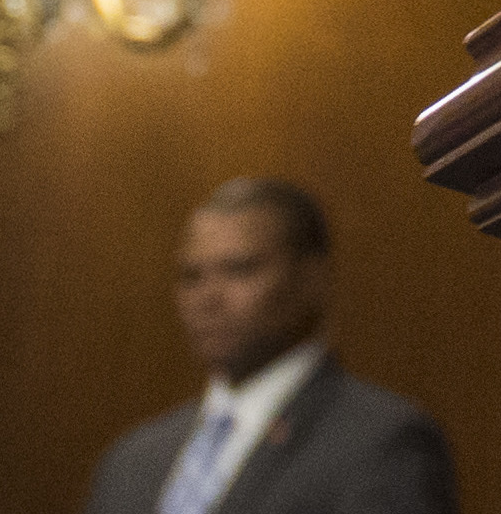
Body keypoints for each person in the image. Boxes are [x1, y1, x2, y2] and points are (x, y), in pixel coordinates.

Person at [80, 180, 456, 514]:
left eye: (239, 269)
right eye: (192, 276)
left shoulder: (381, 444)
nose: (207, 297)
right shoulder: (131, 461)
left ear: (313, 279)